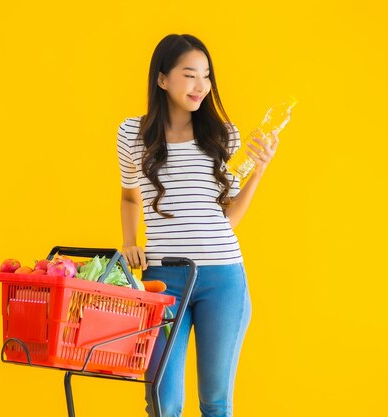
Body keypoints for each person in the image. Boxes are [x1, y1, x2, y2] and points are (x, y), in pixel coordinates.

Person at [117, 34, 279, 417]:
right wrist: (128, 241)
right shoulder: (132, 134)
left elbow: (228, 218)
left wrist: (258, 171)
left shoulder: (224, 136)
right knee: (163, 400)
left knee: (216, 403)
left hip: (222, 279)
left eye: (206, 76)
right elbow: (128, 196)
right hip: (162, 281)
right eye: (189, 75)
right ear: (162, 79)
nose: (201, 86)